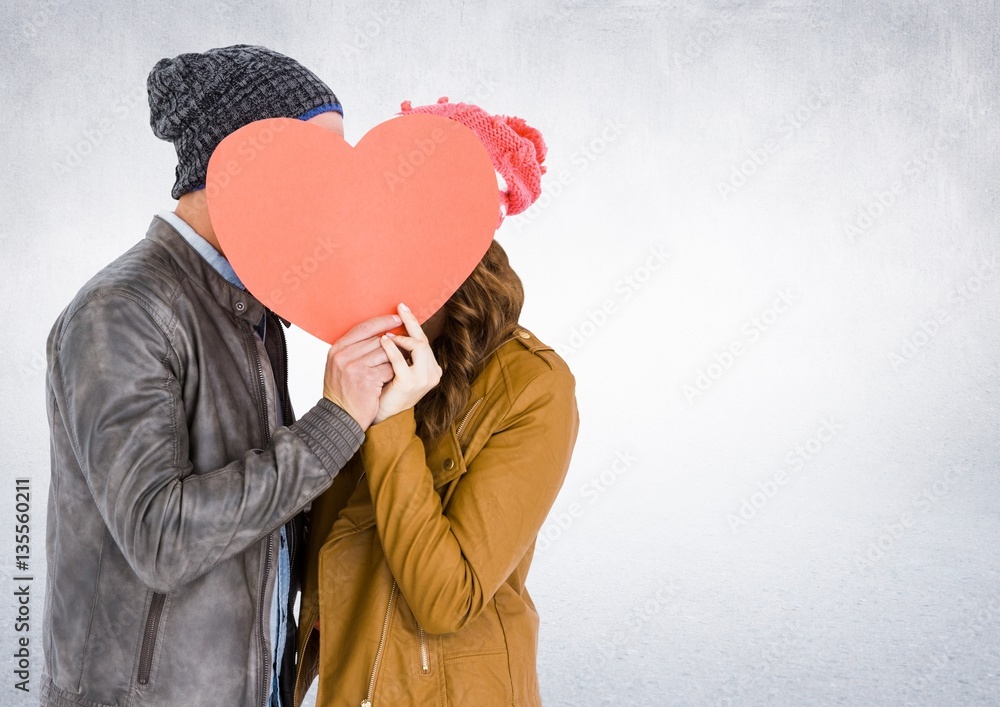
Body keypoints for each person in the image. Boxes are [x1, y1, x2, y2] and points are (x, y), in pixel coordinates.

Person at [40, 45, 397, 707]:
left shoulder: (255, 308)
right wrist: (334, 422)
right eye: (315, 167)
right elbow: (162, 536)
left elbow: (266, 510)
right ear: (241, 165)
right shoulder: (122, 311)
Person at [292, 98, 581, 707]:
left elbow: (445, 599)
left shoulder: (535, 387)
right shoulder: (375, 347)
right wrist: (337, 417)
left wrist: (393, 422)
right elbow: (319, 552)